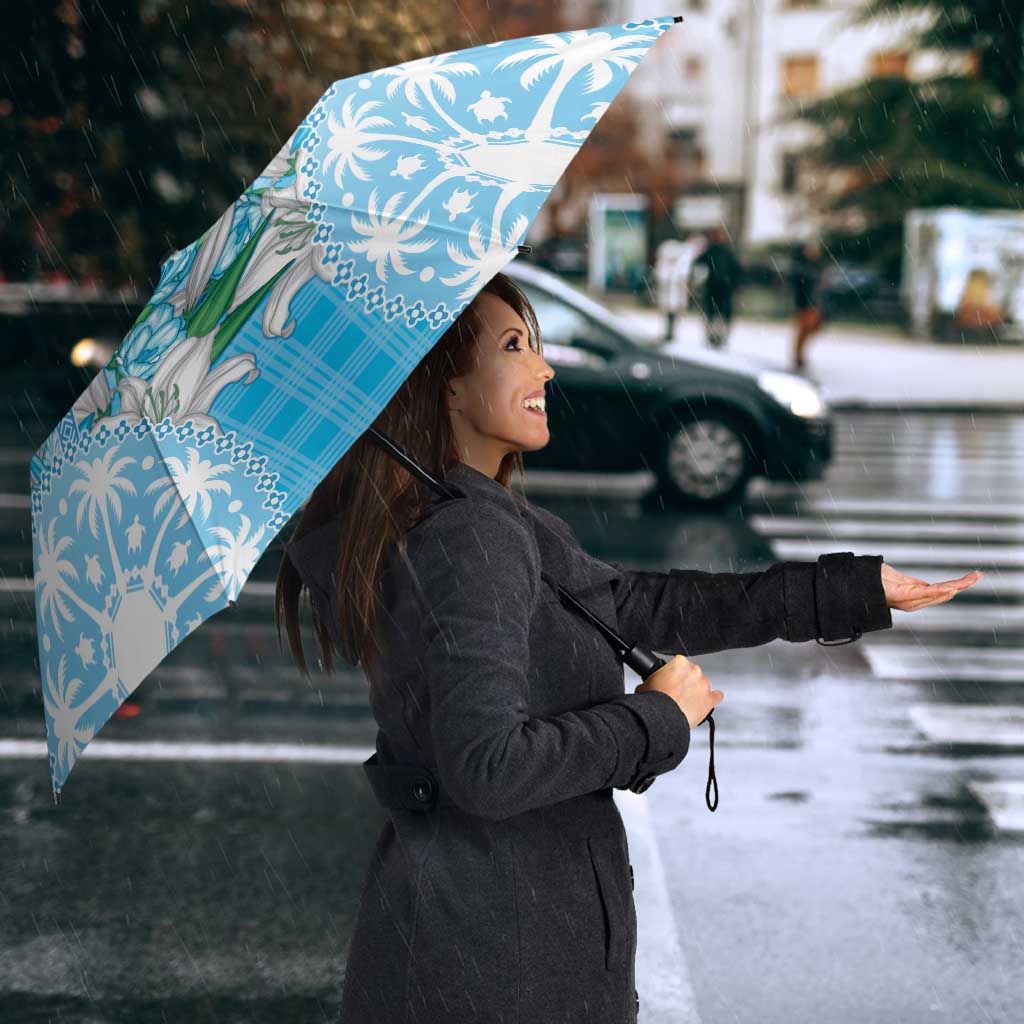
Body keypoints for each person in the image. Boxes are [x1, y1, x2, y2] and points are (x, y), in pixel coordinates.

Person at [276, 271, 976, 1024]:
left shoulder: (469, 518)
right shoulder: (471, 536)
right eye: (513, 347)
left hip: (473, 941)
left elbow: (638, 605)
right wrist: (656, 719)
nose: (544, 368)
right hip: (501, 963)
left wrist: (848, 591)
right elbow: (488, 767)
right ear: (447, 385)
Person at [692, 226, 742, 349]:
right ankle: (713, 337)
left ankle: (719, 337)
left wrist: (735, 284)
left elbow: (736, 270)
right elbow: (698, 263)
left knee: (719, 315)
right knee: (714, 314)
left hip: (722, 289)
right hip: (716, 288)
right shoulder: (714, 251)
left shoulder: (724, 252)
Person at [790, 239, 826, 370]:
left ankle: (799, 354)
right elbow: (799, 286)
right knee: (804, 329)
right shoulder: (802, 267)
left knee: (812, 327)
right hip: (805, 303)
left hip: (814, 303)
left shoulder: (816, 266)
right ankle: (798, 355)